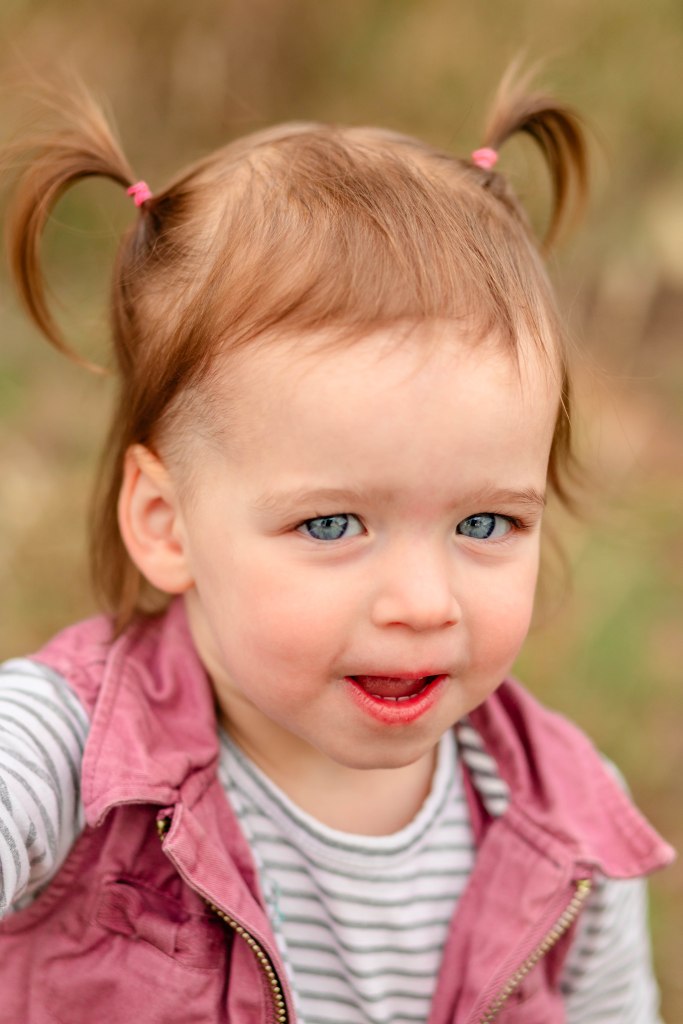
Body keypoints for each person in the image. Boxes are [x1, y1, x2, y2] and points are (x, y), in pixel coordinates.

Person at [0, 69, 674, 1024]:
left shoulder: (571, 826)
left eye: (484, 524)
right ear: (164, 522)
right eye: (330, 525)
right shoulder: (61, 757)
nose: (423, 603)